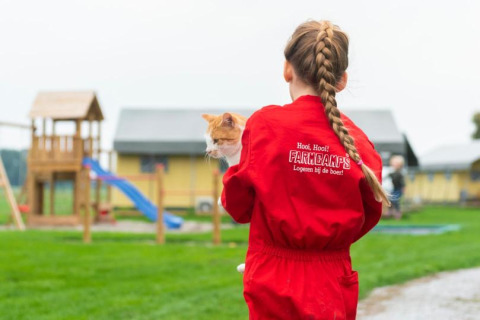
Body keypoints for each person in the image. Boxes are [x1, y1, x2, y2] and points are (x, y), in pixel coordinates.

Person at [221, 20, 390, 320]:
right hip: (333, 278)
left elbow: (238, 206)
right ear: (342, 80)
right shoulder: (359, 143)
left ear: (287, 69)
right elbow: (371, 210)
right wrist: (327, 241)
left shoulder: (265, 126)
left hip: (273, 276)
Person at [387, 155, 406, 220]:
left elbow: (403, 183)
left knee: (395, 200)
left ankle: (398, 214)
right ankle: (390, 212)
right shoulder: (392, 173)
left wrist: (403, 189)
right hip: (394, 189)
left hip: (398, 189)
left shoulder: (400, 174)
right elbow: (386, 177)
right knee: (389, 199)